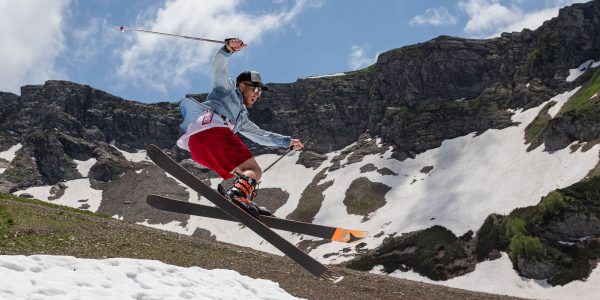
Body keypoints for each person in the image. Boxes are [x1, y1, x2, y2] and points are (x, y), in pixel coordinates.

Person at [176, 38, 304, 218]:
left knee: (240, 173)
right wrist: (227, 49)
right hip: (212, 132)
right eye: (255, 90)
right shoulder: (226, 90)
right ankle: (238, 195)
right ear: (242, 86)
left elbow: (261, 136)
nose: (257, 95)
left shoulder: (241, 119)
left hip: (196, 147)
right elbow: (217, 68)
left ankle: (240, 195)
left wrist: (286, 142)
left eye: (260, 93)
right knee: (255, 170)